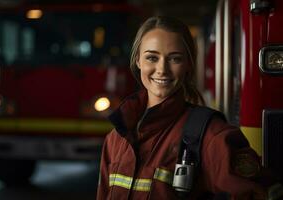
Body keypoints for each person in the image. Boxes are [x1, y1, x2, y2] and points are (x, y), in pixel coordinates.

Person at [96, 16, 268, 199]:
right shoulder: (116, 138)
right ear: (138, 60)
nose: (162, 69)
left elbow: (260, 192)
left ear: (188, 64)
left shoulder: (211, 135)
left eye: (174, 59)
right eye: (152, 57)